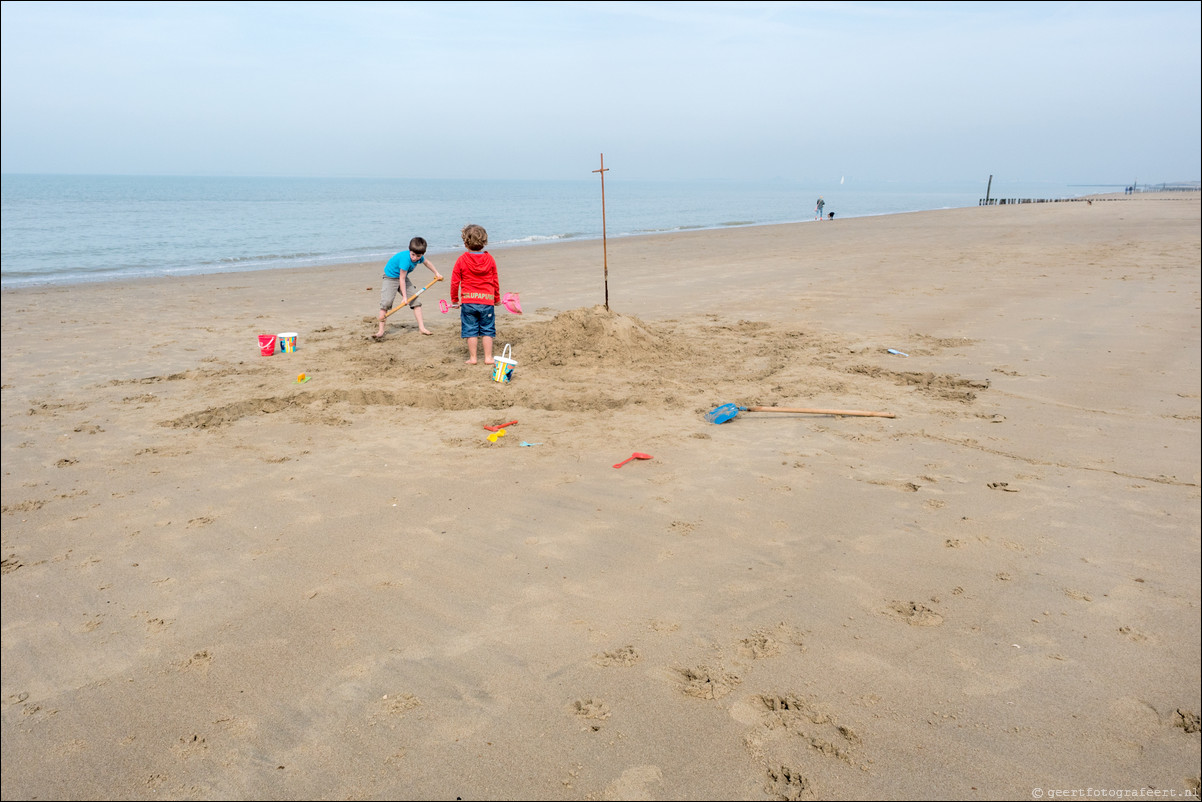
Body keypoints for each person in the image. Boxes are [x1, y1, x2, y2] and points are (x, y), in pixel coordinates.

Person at [450, 224, 500, 365]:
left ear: (465, 243)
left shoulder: (461, 260)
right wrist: (496, 298)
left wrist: (455, 300)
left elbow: (455, 282)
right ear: (484, 242)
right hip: (487, 301)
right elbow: (495, 280)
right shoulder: (489, 259)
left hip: (469, 302)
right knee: (487, 329)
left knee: (470, 329)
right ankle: (488, 357)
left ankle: (473, 358)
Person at [374, 237, 442, 339]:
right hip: (390, 277)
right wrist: (404, 297)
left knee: (416, 301)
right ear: (410, 251)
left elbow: (427, 263)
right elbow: (401, 279)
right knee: (386, 303)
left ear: (422, 254)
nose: (414, 258)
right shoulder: (405, 260)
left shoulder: (420, 257)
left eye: (418, 256)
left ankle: (422, 328)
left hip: (403, 278)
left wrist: (436, 273)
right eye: (413, 254)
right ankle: (380, 331)